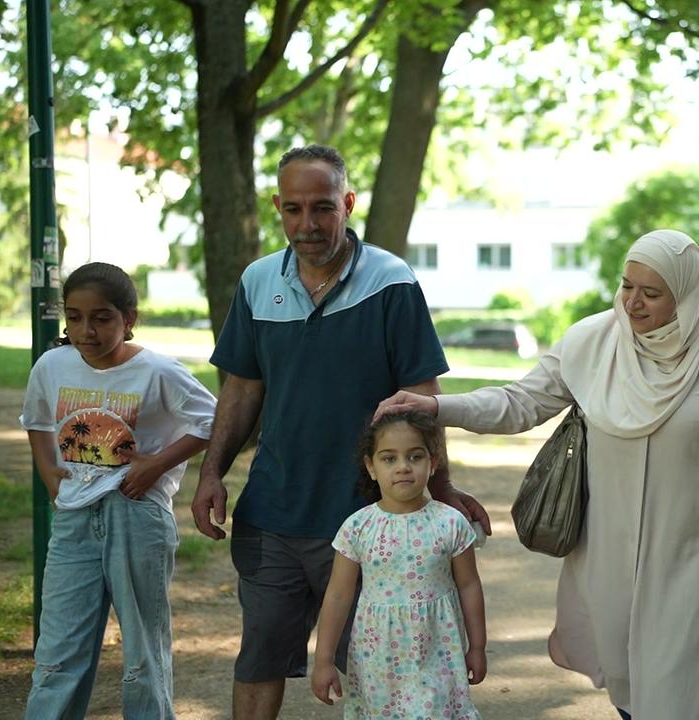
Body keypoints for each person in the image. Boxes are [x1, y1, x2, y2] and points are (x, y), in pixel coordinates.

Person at [377, 229, 699, 719]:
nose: (632, 303)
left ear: (687, 294)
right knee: (630, 684)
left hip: (696, 554)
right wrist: (437, 407)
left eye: (651, 293)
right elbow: (519, 403)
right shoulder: (591, 343)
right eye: (627, 285)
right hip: (606, 554)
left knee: (677, 691)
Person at [190, 144, 489, 719]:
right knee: (258, 661)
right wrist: (211, 474)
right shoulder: (256, 283)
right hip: (273, 513)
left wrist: (441, 485)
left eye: (323, 207)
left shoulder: (390, 281)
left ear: (348, 204)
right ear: (278, 208)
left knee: (381, 669)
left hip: (369, 516)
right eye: (294, 209)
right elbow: (241, 387)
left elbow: (423, 395)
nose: (308, 224)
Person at [20, 262, 216, 718]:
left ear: (129, 319)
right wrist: (50, 473)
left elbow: (212, 421)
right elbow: (36, 419)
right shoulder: (53, 365)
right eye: (74, 317)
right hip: (73, 524)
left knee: (144, 653)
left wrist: (156, 465)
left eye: (102, 318)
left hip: (136, 517)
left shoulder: (158, 371)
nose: (86, 330)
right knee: (57, 654)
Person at [311, 410, 486, 718]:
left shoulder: (450, 523)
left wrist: (477, 647)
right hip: (377, 659)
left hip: (438, 649)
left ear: (432, 463)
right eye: (389, 459)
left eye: (415, 457)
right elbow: (338, 596)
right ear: (371, 467)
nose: (403, 467)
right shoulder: (358, 528)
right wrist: (323, 659)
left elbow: (469, 585)